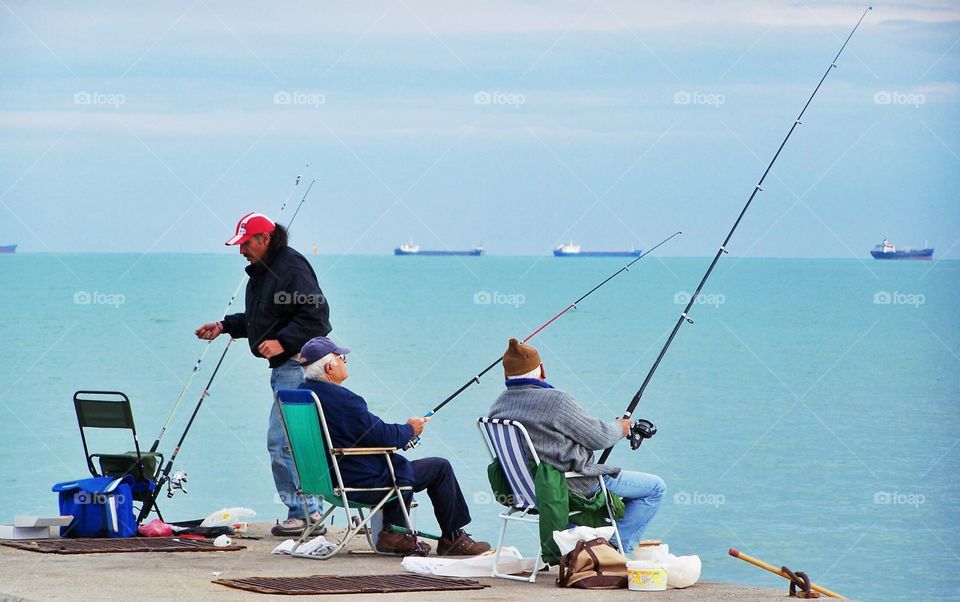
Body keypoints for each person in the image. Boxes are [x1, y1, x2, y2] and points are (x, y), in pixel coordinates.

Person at [195, 212, 331, 536]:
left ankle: (305, 515)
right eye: (239, 244)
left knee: (282, 442)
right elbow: (262, 319)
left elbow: (318, 317)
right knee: (290, 441)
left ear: (264, 239)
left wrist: (283, 341)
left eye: (245, 243)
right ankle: (307, 513)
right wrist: (225, 326)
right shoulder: (263, 271)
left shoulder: (292, 267)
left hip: (298, 365)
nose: (241, 250)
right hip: (284, 368)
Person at [297, 336, 491, 557]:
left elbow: (364, 434)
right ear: (330, 367)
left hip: (321, 480)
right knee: (439, 467)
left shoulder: (302, 395)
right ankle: (450, 539)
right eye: (342, 358)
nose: (346, 362)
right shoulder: (345, 401)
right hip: (357, 481)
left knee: (400, 467)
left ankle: (395, 530)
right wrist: (410, 429)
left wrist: (402, 434)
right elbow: (382, 436)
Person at [488, 338, 665, 553]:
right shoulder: (557, 400)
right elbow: (598, 438)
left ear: (506, 375)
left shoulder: (498, 405)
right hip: (571, 487)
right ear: (542, 369)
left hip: (526, 492)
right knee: (655, 488)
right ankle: (616, 550)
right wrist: (621, 428)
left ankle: (578, 548)